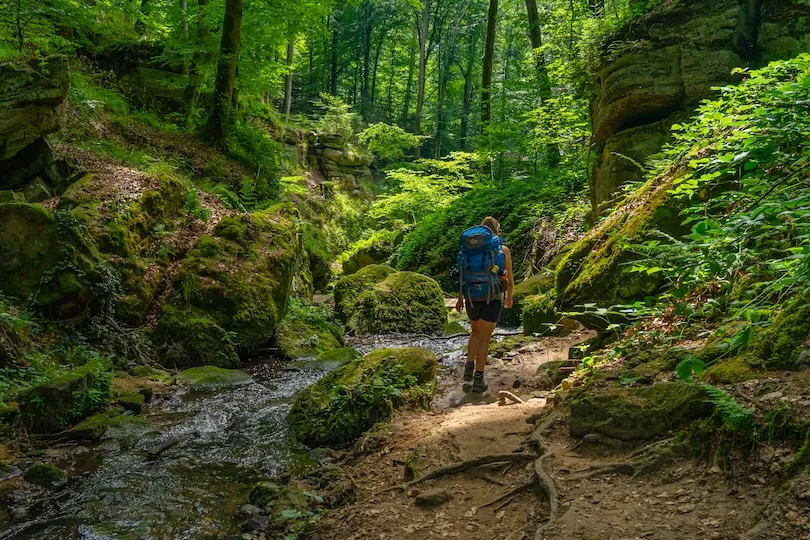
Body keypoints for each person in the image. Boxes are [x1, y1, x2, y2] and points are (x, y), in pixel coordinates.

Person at [455, 216, 514, 393]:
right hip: (492, 296)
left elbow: (461, 275)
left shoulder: (468, 251)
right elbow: (509, 278)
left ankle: (468, 367)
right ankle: (478, 379)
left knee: (475, 332)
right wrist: (509, 297)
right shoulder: (502, 250)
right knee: (485, 339)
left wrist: (460, 298)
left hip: (471, 296)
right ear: (496, 230)